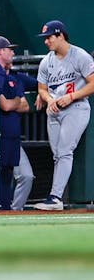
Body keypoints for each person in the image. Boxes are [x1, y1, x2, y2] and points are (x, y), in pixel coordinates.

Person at [34, 20, 94, 211]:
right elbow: (42, 89)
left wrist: (72, 96)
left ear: (61, 35)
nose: (46, 42)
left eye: (49, 37)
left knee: (65, 151)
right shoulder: (46, 61)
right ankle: (57, 197)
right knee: (58, 155)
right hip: (54, 110)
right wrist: (48, 99)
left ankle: (55, 198)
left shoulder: (80, 56)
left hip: (76, 108)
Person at [0, 35, 33, 211]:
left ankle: (10, 211)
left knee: (11, 172)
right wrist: (16, 103)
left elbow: (25, 105)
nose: (13, 52)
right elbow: (5, 105)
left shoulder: (15, 76)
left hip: (13, 133)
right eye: (9, 49)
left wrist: (14, 103)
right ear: (0, 51)